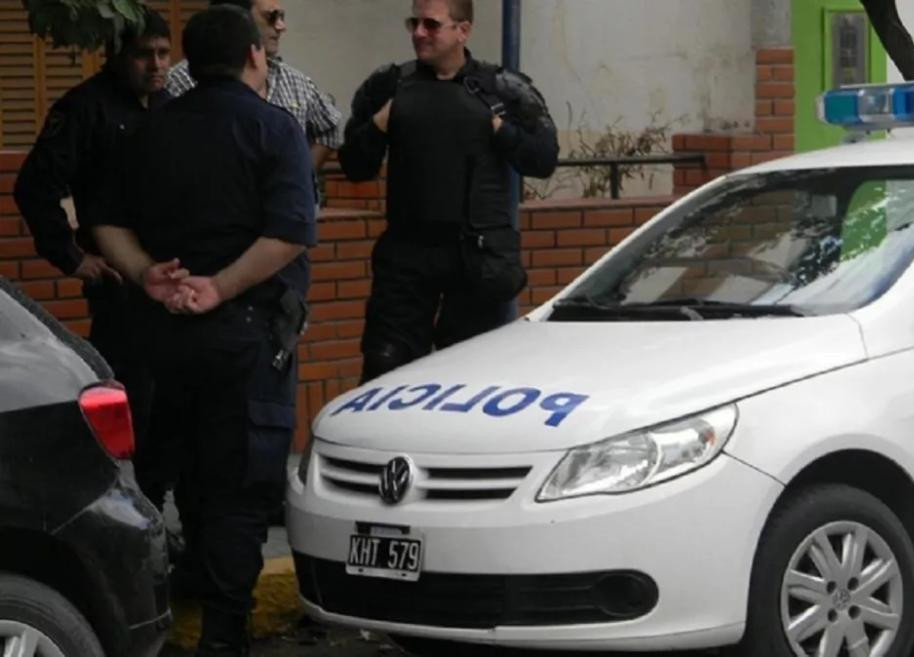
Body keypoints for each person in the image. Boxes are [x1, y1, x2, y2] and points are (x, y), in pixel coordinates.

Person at [93, 6, 316, 655]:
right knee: (240, 489)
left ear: (188, 63)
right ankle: (224, 630)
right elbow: (289, 234)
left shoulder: (149, 130)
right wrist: (219, 286)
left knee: (182, 474)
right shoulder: (275, 130)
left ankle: (177, 604)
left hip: (164, 335)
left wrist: (146, 274)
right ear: (254, 56)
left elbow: (103, 221)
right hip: (246, 339)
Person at [340, 0, 559, 382]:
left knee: (472, 378)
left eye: (432, 25)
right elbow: (354, 166)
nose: (419, 33)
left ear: (463, 30)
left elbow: (543, 160)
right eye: (414, 23)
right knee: (386, 370)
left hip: (476, 259)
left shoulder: (502, 89)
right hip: (407, 257)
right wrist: (381, 123)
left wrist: (498, 129)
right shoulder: (390, 85)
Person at [14, 10, 172, 506]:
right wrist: (73, 258)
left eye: (164, 54)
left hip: (173, 285)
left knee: (173, 411)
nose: (155, 65)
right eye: (144, 55)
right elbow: (35, 186)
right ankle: (131, 511)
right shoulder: (85, 108)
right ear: (117, 56)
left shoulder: (174, 108)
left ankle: (161, 509)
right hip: (120, 289)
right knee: (132, 407)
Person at [166, 0, 341, 169]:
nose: (281, 27)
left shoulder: (295, 81)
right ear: (237, 18)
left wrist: (300, 175)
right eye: (271, 17)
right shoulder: (180, 81)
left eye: (282, 17)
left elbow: (329, 129)